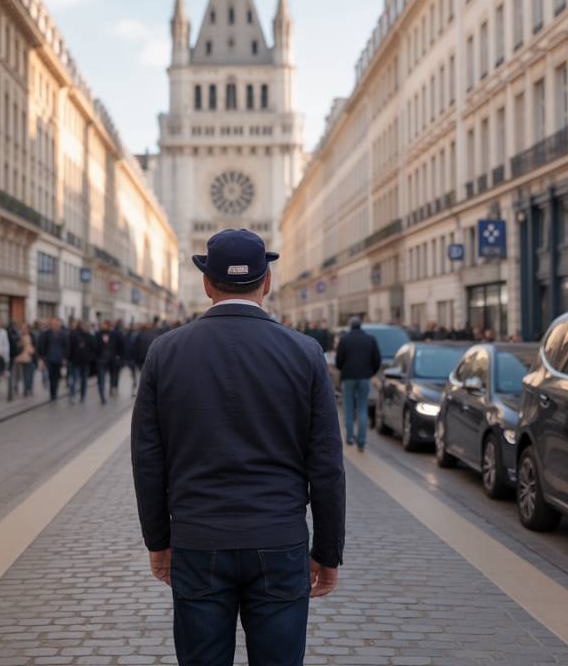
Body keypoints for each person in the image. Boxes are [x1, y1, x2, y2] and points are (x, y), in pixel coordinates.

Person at [132, 228, 345, 665]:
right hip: (279, 538)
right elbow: (326, 465)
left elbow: (148, 460)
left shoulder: (165, 352)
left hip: (197, 538)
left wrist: (158, 540)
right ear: (266, 281)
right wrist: (327, 551)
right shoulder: (305, 353)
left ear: (206, 283)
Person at [335, 316, 382, 452]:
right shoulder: (370, 339)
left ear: (350, 325)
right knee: (362, 407)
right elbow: (377, 359)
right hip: (364, 377)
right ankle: (361, 441)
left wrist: (344, 369)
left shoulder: (344, 339)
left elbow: (339, 360)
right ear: (361, 325)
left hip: (348, 377)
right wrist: (370, 372)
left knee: (348, 407)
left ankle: (349, 437)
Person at [36, 317, 67, 402]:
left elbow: (66, 347)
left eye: (56, 323)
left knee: (56, 377)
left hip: (59, 359)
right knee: (50, 377)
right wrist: (42, 358)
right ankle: (52, 394)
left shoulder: (63, 334)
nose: (55, 325)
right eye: (53, 323)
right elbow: (41, 346)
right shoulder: (46, 334)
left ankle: (55, 393)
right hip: (49, 359)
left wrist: (65, 358)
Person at [68, 321, 94, 403]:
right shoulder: (75, 335)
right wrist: (69, 358)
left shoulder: (90, 336)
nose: (86, 327)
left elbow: (93, 348)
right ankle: (72, 395)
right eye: (85, 326)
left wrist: (90, 358)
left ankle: (82, 396)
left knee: (84, 381)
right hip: (75, 362)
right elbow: (70, 347)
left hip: (85, 362)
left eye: (87, 326)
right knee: (74, 379)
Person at [94, 320, 117, 405]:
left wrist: (116, 355)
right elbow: (95, 346)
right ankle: (102, 396)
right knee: (101, 379)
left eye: (104, 324)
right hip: (101, 360)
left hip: (111, 360)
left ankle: (111, 388)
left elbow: (117, 345)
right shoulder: (98, 334)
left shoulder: (113, 334)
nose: (103, 325)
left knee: (112, 376)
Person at [14, 323, 37, 397]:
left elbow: (36, 346)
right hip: (22, 358)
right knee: (24, 375)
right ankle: (25, 390)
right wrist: (20, 343)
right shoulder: (19, 336)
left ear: (28, 329)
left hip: (31, 357)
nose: (23, 330)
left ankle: (29, 389)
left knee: (30, 375)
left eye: (25, 328)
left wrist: (34, 351)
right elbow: (17, 348)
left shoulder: (33, 336)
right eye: (22, 328)